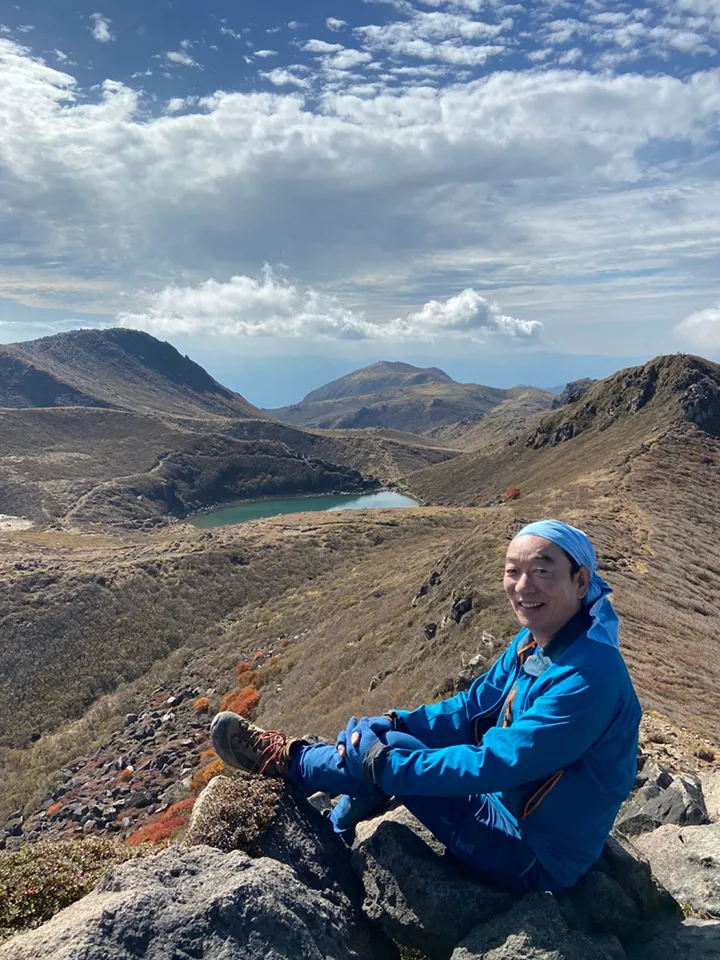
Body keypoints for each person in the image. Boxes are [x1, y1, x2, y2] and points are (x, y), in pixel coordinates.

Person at [211, 519, 642, 895]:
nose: (523, 587)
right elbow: (471, 709)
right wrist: (395, 721)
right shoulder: (537, 638)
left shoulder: (589, 679)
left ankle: (290, 762)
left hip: (533, 856)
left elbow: (497, 763)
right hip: (503, 804)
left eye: (543, 572)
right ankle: (338, 821)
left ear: (581, 582)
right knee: (390, 741)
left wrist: (384, 762)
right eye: (513, 572)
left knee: (391, 753)